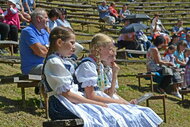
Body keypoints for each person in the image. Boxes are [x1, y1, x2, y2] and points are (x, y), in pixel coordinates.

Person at [43, 27, 161, 126]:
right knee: (108, 115)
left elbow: (77, 48)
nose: (74, 47)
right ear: (59, 43)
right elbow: (67, 94)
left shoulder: (62, 60)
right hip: (61, 105)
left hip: (71, 100)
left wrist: (69, 40)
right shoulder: (55, 62)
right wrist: (95, 103)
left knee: (113, 114)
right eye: (71, 43)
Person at [75, 33, 163, 126]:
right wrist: (120, 102)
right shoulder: (88, 65)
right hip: (90, 104)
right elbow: (91, 96)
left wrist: (125, 103)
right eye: (110, 49)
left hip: (100, 102)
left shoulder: (99, 65)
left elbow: (108, 94)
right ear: (99, 49)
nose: (112, 52)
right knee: (128, 116)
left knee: (143, 112)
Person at [19, 8, 49, 75]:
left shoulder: (45, 32)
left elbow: (55, 49)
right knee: (55, 69)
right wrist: (46, 49)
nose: (48, 20)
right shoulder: (28, 31)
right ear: (38, 19)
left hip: (45, 64)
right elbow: (41, 52)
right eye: (46, 17)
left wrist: (44, 49)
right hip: (32, 67)